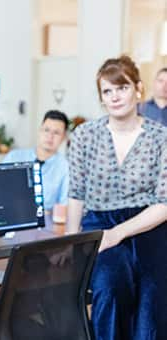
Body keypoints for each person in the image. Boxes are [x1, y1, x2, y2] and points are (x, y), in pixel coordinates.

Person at [67, 55, 167, 340]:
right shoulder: (84, 135)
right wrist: (72, 244)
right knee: (108, 293)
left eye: (121, 88)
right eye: (106, 91)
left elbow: (165, 203)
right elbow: (76, 194)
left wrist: (117, 233)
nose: (114, 97)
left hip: (149, 225)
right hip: (98, 223)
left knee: (151, 309)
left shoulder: (161, 137)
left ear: (138, 88)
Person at [1, 110, 70, 211]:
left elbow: (64, 207)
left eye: (56, 133)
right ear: (40, 130)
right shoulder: (14, 157)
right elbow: (0, 191)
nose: (50, 137)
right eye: (46, 130)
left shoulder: (65, 167)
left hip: (45, 223)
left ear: (64, 137)